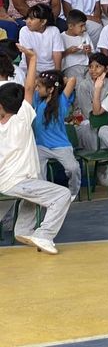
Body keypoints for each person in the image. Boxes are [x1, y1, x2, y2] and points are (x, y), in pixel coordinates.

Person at [0, 46, 71, 255]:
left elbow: (28, 90)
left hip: (10, 179)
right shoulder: (21, 118)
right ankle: (45, 234)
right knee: (62, 195)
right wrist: (32, 59)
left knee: (35, 194)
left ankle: (23, 230)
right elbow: (29, 88)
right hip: (17, 181)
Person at [32, 70, 80, 201]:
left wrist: (59, 80)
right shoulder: (38, 100)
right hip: (41, 146)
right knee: (37, 171)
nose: (37, 89)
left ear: (51, 89)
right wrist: (41, 79)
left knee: (73, 168)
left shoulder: (62, 100)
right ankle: (44, 196)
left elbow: (72, 79)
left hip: (61, 146)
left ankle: (73, 192)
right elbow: (31, 84)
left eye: (40, 87)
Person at [17, 4, 63, 78]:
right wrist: (31, 76)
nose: (28, 21)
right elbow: (29, 55)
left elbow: (57, 54)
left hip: (50, 69)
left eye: (32, 19)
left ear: (43, 22)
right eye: (27, 18)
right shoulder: (24, 31)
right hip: (30, 68)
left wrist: (58, 75)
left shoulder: (54, 30)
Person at [60, 10, 94, 81]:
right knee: (79, 82)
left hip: (86, 66)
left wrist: (89, 52)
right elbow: (57, 57)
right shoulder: (61, 37)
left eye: (85, 25)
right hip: (70, 68)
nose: (84, 29)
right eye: (81, 26)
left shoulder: (85, 35)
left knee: (92, 81)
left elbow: (92, 56)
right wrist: (68, 51)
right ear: (70, 26)